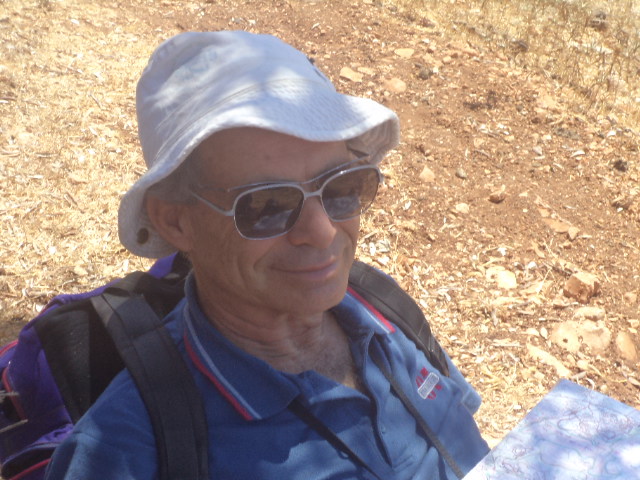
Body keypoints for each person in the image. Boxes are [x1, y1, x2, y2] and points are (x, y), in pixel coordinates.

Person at [45, 30, 489, 479]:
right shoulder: (128, 453)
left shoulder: (383, 313)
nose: (322, 232)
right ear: (176, 221)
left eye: (343, 186)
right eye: (266, 205)